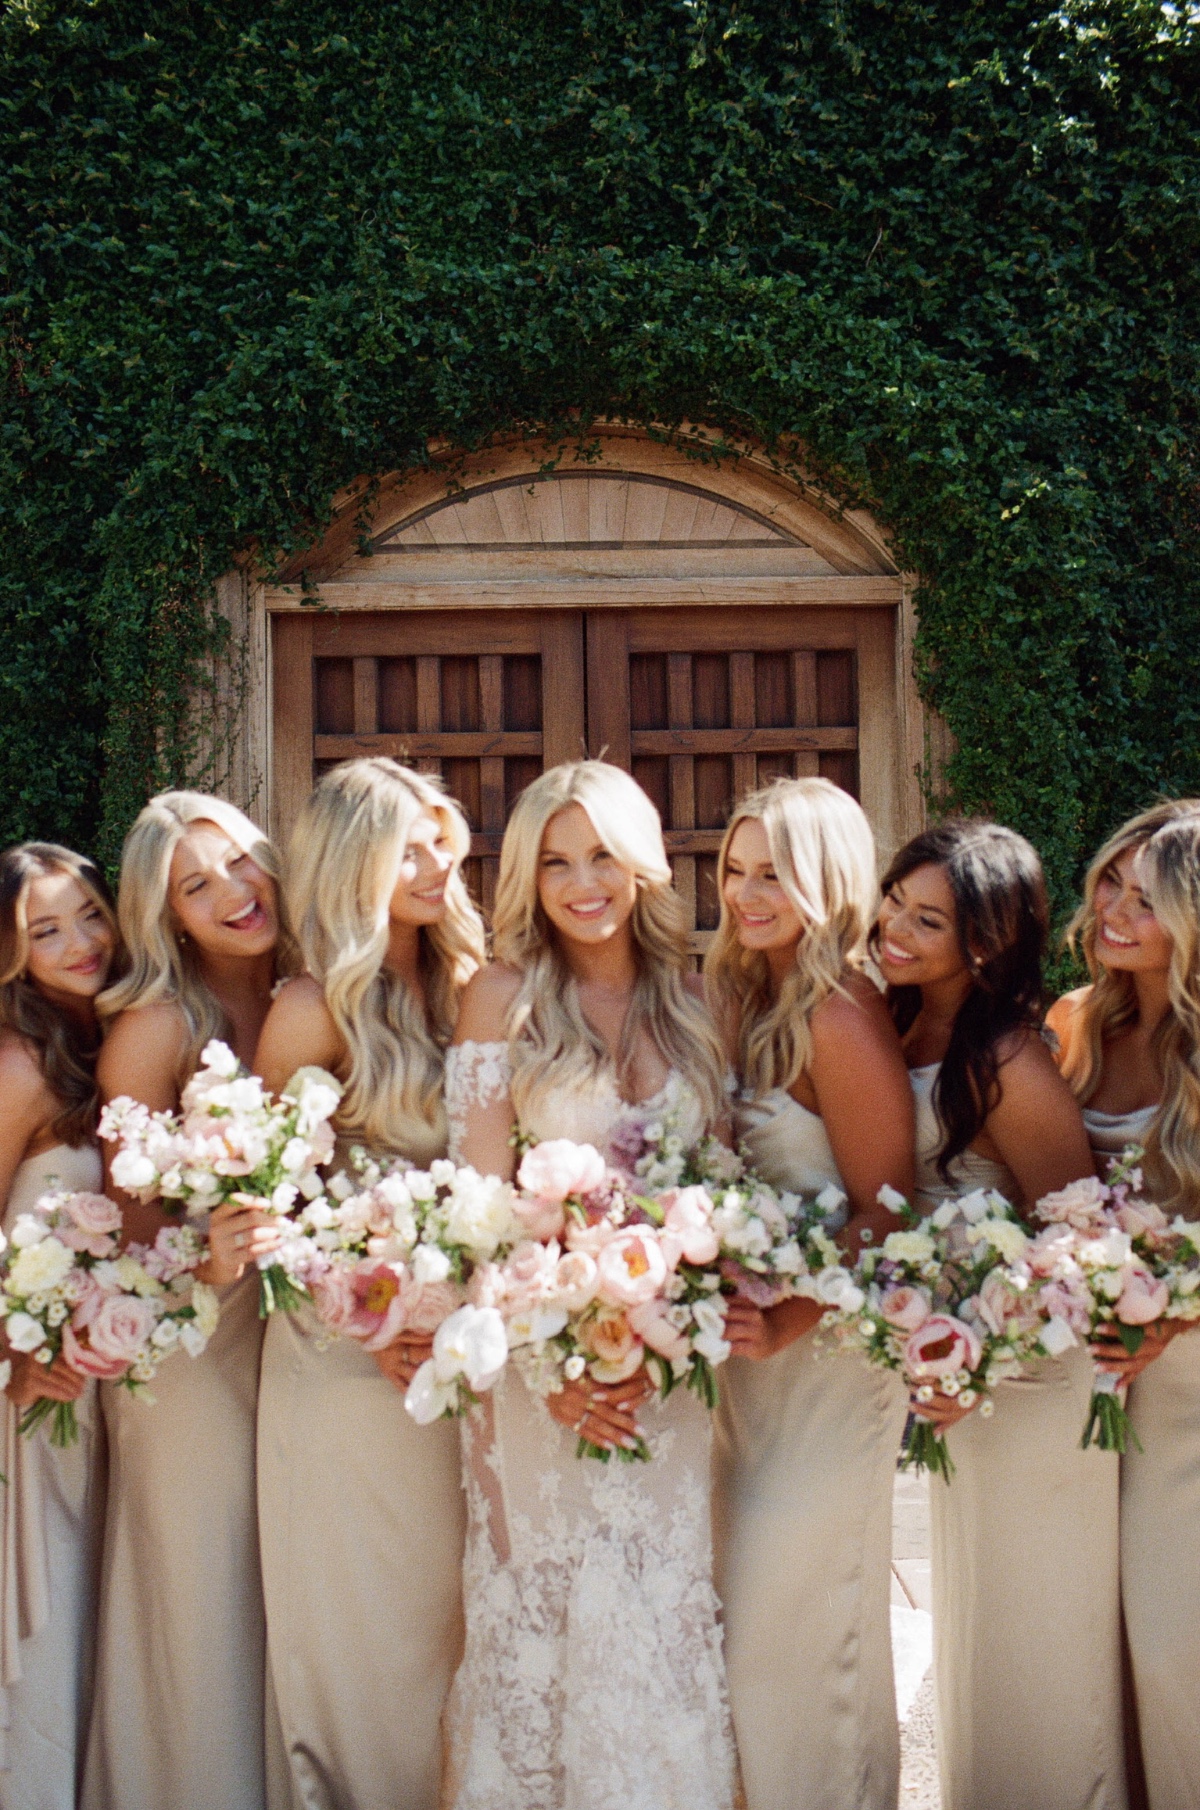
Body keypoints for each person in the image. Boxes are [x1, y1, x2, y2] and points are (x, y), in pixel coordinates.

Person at [441, 759, 735, 1810]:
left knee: (660, 1625)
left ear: (643, 863)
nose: (582, 883)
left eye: (602, 854)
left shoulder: (702, 1002)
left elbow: (726, 1195)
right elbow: (477, 1210)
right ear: (527, 875)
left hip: (674, 1383)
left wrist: (681, 1323)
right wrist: (547, 1361)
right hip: (537, 1379)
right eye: (555, 861)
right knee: (543, 1627)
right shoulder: (501, 998)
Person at [876, 819, 1124, 1810]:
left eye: (925, 918)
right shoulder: (892, 1021)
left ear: (983, 942)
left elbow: (1078, 1239)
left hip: (1030, 1382)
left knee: (1036, 1635)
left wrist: (985, 1344)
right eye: (894, 899)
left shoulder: (1012, 1063)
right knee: (976, 1631)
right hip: (958, 1376)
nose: (894, 925)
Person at [254, 758, 484, 1810]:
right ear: (356, 862)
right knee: (366, 1628)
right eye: (411, 845)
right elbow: (271, 1204)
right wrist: (378, 1311)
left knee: (457, 1621)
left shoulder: (475, 984)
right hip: (350, 1365)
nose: (439, 862)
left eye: (445, 839)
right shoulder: (309, 1007)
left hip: (470, 1354)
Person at [82, 792, 296, 1810]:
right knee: (204, 1596)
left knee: (289, 1590)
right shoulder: (156, 1026)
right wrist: (203, 1260)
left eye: (238, 865)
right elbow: (125, 1234)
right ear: (164, 915)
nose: (230, 895)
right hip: (189, 1351)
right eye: (194, 886)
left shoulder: (311, 990)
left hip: (299, 1337)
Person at [704, 777, 913, 1810]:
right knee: (746, 1631)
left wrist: (791, 1316)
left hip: (825, 1363)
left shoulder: (838, 1015)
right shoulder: (741, 999)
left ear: (826, 878)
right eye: (735, 869)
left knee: (802, 1629)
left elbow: (891, 1207)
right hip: (744, 1373)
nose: (746, 891)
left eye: (773, 871)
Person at [1049, 799, 1200, 1810]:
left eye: (1148, 899)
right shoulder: (1070, 1022)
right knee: (1083, 1649)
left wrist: (1173, 1312)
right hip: (1081, 1372)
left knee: (1173, 1638)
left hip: (1185, 1382)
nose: (1116, 908)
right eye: (1111, 880)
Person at [0, 844, 120, 1810]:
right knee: (48, 1636)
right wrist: (11, 1355)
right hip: (35, 1407)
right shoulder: (17, 1063)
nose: (81, 942)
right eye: (46, 930)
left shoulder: (104, 1042)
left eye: (89, 913)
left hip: (113, 1390)